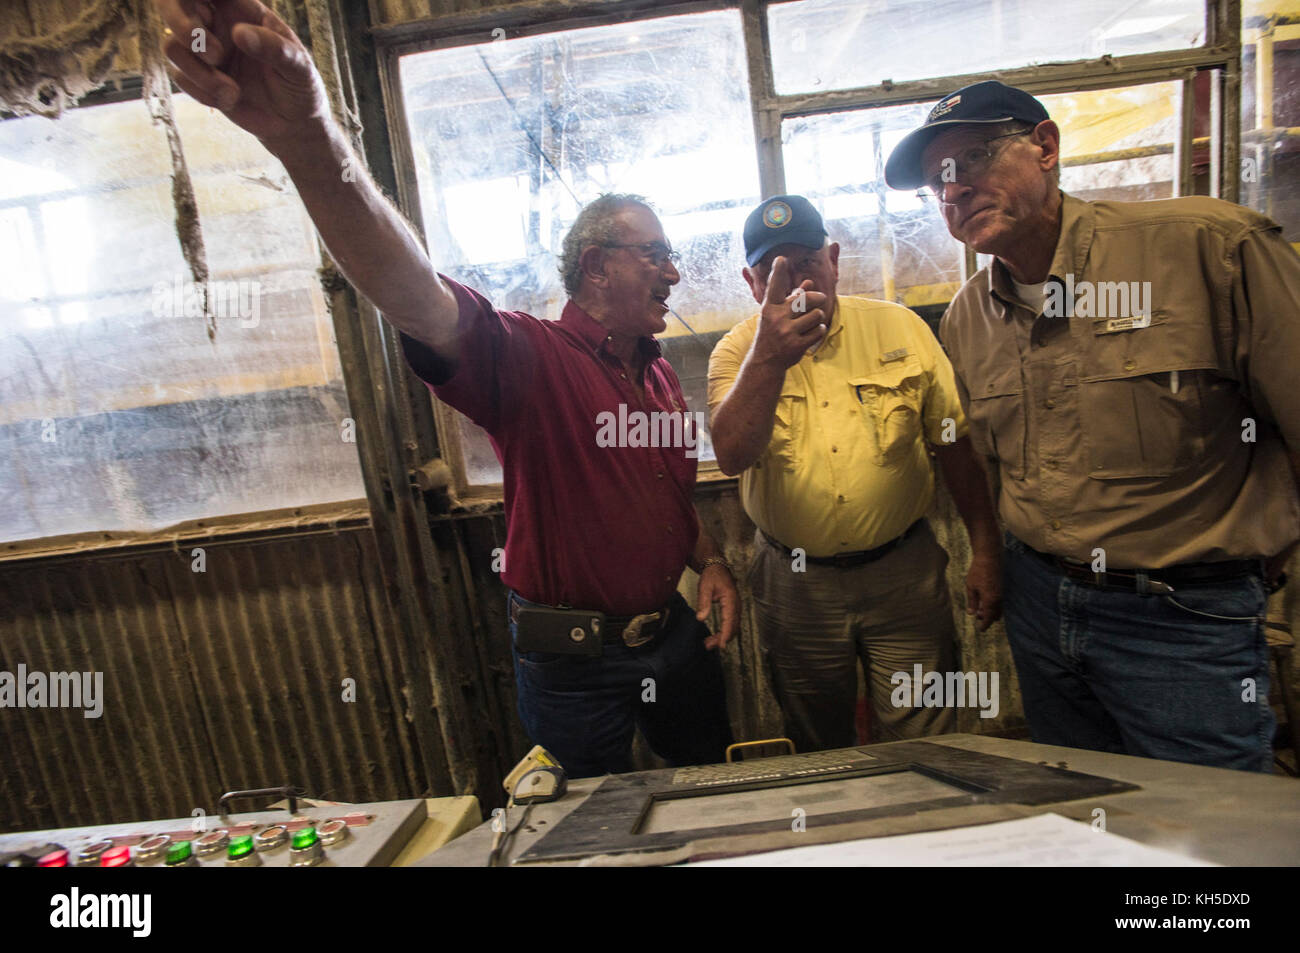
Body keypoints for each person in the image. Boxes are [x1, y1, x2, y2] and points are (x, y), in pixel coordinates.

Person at [156, 0, 737, 778]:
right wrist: (307, 141)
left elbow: (665, 497)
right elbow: (417, 296)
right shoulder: (532, 360)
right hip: (574, 662)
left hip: (672, 636)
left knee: (707, 792)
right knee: (580, 833)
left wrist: (714, 559)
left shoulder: (659, 374)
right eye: (655, 255)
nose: (673, 271)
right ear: (596, 266)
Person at [885, 79, 1300, 772]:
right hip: (1041, 604)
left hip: (1183, 615)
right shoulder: (967, 318)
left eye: (974, 160)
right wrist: (989, 553)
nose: (953, 192)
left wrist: (1266, 555)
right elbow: (985, 462)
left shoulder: (1207, 248)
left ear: (1046, 146)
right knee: (1082, 801)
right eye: (937, 183)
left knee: (1212, 830)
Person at [707, 194, 1002, 753]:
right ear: (751, 281)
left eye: (808, 264)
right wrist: (769, 359)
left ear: (835, 260)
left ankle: (921, 831)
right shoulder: (737, 352)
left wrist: (985, 550)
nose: (795, 284)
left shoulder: (901, 329)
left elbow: (955, 446)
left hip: (904, 575)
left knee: (926, 736)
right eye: (776, 271)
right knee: (820, 743)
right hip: (795, 584)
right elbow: (731, 456)